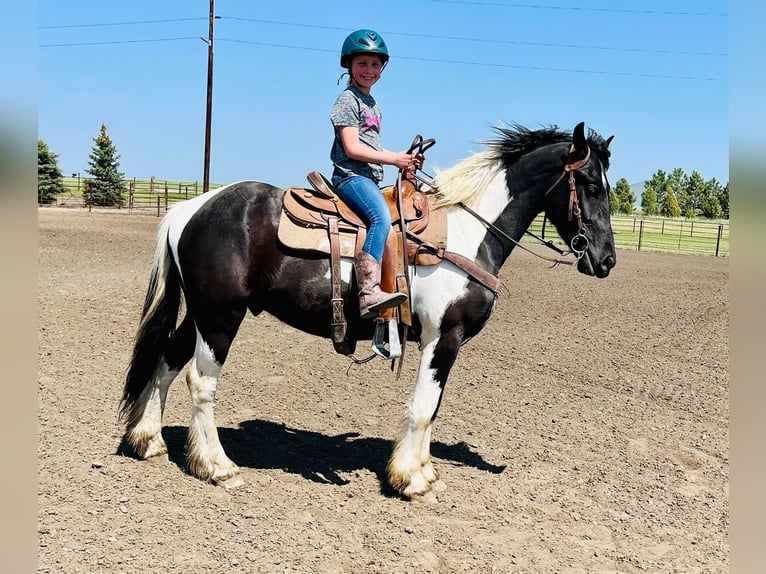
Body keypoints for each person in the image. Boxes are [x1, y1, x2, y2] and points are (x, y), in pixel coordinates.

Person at [330, 29, 424, 319]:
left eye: (375, 65)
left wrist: (405, 161)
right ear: (349, 65)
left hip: (369, 178)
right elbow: (352, 147)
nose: (369, 70)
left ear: (382, 68)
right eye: (362, 64)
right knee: (380, 218)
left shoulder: (372, 104)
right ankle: (368, 291)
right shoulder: (348, 100)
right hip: (351, 176)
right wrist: (394, 158)